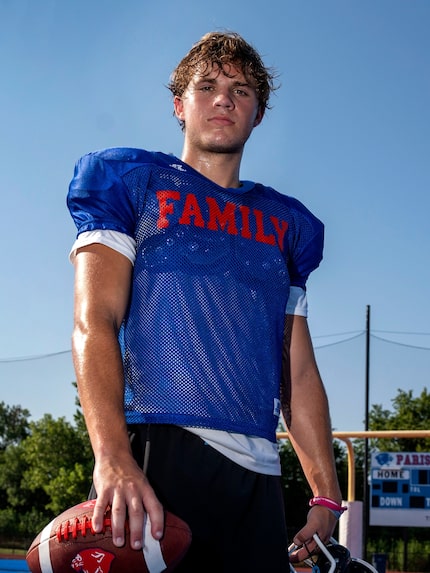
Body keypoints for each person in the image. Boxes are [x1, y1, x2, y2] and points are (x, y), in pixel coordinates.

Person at [67, 31, 344, 572]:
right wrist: (112, 456)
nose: (224, 99)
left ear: (258, 113)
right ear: (179, 104)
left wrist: (326, 495)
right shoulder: (133, 184)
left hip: (259, 476)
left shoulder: (286, 225)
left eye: (241, 90)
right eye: (208, 85)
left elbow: (300, 372)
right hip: (160, 454)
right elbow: (94, 321)